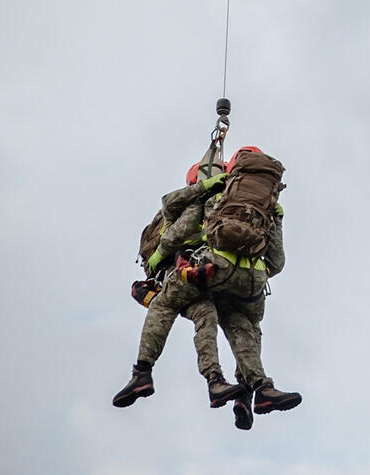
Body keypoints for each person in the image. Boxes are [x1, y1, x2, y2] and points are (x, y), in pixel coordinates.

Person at [113, 147, 301, 427]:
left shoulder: (201, 198)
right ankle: (258, 390)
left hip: (203, 270)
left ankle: (145, 373)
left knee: (179, 308)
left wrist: (161, 255)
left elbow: (176, 230)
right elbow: (278, 261)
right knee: (242, 325)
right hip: (250, 282)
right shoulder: (267, 209)